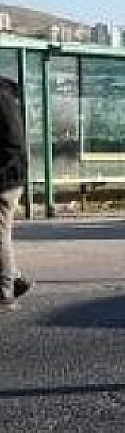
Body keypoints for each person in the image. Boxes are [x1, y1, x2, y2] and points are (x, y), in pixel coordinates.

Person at [0, 77, 33, 307]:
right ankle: (15, 278)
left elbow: (12, 143)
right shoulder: (5, 96)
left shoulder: (1, 97)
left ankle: (4, 291)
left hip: (5, 177)